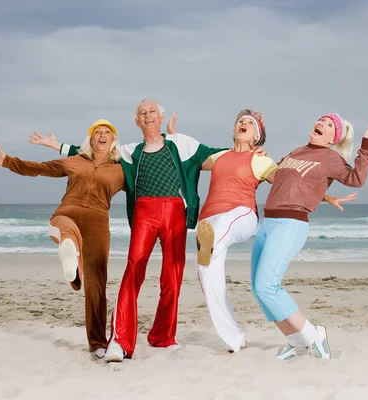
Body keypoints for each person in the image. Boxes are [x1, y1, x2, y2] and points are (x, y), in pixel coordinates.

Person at [29, 99, 225, 362]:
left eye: (152, 111)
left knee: (173, 276)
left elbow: (214, 156)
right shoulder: (130, 151)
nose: (148, 115)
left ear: (160, 116)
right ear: (137, 121)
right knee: (134, 270)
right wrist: (58, 145)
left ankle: (162, 336)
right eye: (142, 113)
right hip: (144, 210)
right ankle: (119, 341)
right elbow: (96, 152)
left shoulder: (181, 143)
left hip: (175, 210)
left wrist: (246, 152)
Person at [167, 110, 357, 354]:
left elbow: (293, 183)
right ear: (234, 130)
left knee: (223, 226)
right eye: (240, 122)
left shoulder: (261, 160)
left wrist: (326, 195)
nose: (243, 124)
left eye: (249, 123)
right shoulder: (219, 156)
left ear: (257, 137)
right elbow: (191, 156)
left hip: (241, 215)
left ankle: (211, 241)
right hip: (210, 220)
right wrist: (173, 134)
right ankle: (234, 339)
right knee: (208, 277)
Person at [250, 113, 368, 360]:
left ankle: (313, 333)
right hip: (268, 222)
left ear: (332, 138)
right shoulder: (295, 152)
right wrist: (263, 158)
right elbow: (283, 181)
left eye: (328, 125)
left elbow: (356, 179)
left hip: (291, 224)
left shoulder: (330, 158)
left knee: (267, 286)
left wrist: (367, 144)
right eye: (321, 120)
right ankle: (297, 342)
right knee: (258, 289)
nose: (321, 124)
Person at [0, 119, 125, 359]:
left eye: (107, 133)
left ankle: (97, 343)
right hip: (67, 213)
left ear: (113, 139)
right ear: (90, 139)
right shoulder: (74, 161)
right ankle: (69, 250)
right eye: (97, 132)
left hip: (98, 222)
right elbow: (40, 168)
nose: (102, 135)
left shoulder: (121, 170)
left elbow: (142, 193)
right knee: (64, 230)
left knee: (96, 283)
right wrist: (8, 162)